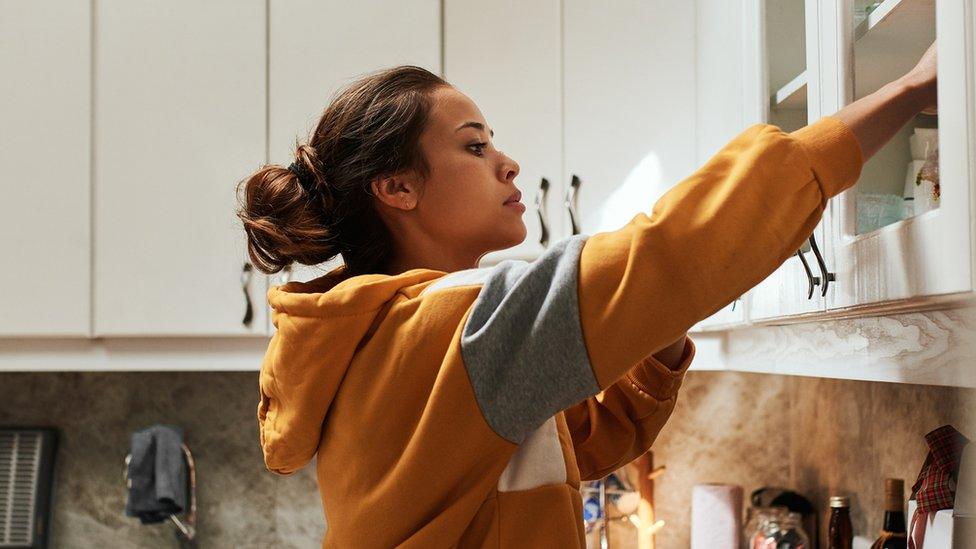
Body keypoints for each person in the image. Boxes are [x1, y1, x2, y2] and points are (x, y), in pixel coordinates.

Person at [236, 43, 937, 548]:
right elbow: (674, 249)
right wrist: (909, 89)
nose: (508, 162)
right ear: (397, 188)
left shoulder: (390, 330)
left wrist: (664, 313)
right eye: (474, 147)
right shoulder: (456, 321)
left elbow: (580, 442)